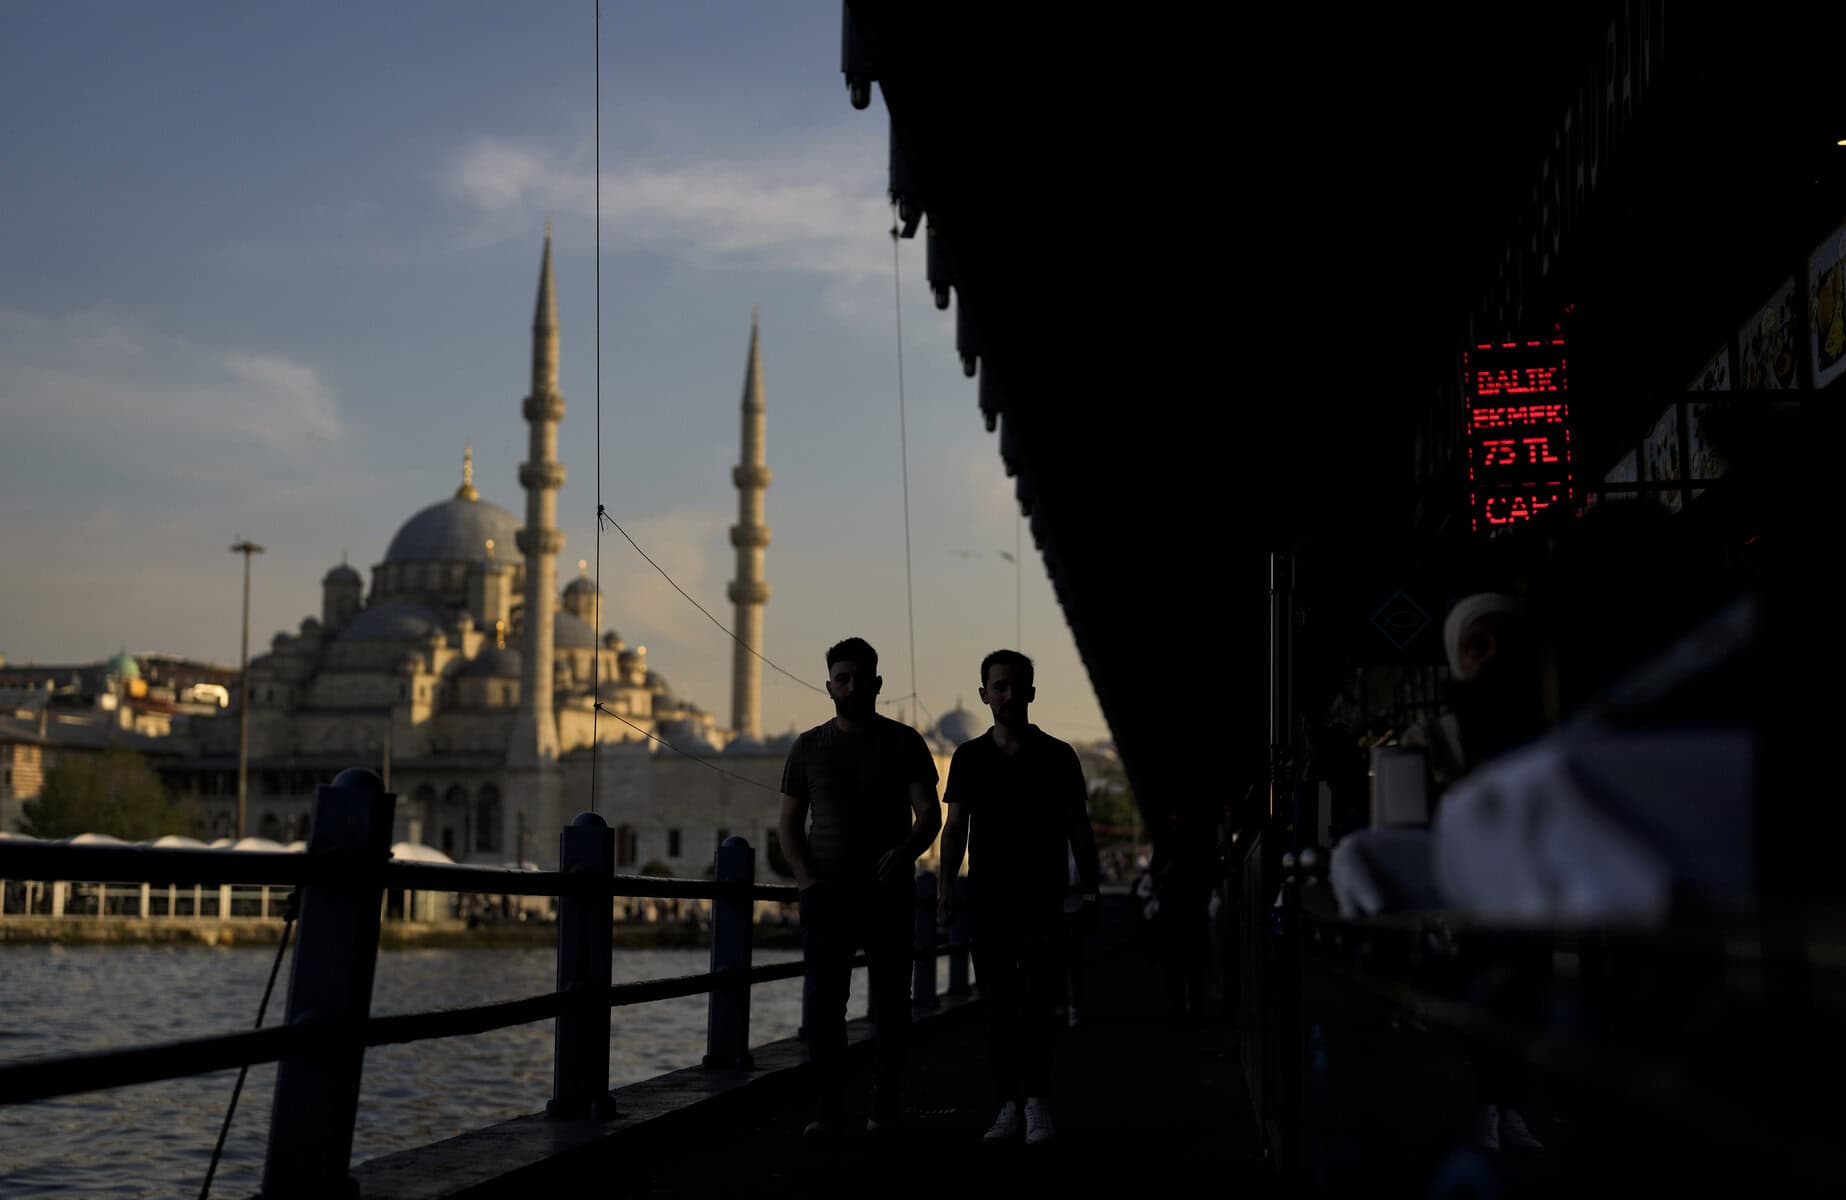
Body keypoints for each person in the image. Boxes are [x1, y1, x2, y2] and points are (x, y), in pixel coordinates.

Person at [778, 637, 943, 1148]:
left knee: (893, 1006)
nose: (850, 687)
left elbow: (929, 813)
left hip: (887, 896)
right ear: (829, 686)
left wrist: (905, 852)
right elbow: (787, 823)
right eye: (840, 678)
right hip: (827, 897)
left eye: (859, 678)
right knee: (825, 1009)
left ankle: (884, 1106)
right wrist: (806, 881)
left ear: (876, 683)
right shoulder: (807, 747)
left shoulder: (905, 742)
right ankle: (829, 1111)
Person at [937, 649, 1100, 1146]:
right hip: (987, 898)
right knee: (996, 1003)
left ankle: (1037, 1102)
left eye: (1015, 686)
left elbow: (1078, 827)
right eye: (998, 687)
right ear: (984, 694)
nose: (1007, 695)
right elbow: (956, 828)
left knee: (1035, 998)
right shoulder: (968, 757)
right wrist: (946, 891)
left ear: (1030, 691)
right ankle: (1009, 1102)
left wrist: (1089, 892)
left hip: (1041, 897)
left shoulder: (1057, 756)